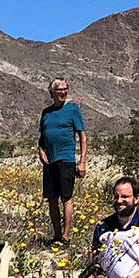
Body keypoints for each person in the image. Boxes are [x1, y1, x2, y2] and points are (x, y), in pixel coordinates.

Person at [38, 77, 87, 246]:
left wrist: (82, 162)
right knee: (51, 198)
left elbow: (82, 136)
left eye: (66, 89)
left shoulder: (73, 110)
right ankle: (56, 236)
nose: (63, 93)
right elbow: (42, 136)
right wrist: (40, 150)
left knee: (66, 197)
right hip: (49, 162)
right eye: (60, 90)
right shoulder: (46, 113)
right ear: (52, 93)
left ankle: (66, 237)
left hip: (66, 160)